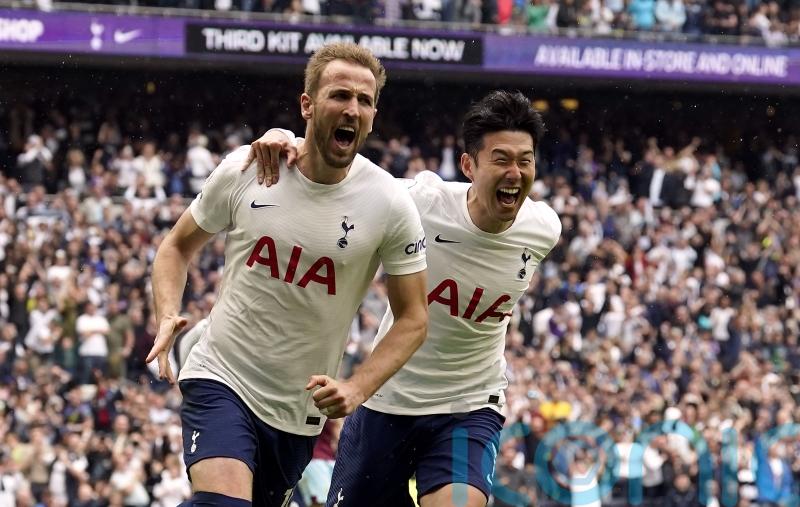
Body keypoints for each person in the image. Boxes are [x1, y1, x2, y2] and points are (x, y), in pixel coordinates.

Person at [146, 42, 429, 507]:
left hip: (298, 413)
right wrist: (167, 312)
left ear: (374, 115)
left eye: (364, 100)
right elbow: (176, 246)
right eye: (339, 95)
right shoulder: (249, 168)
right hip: (221, 374)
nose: (351, 109)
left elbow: (414, 318)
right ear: (307, 104)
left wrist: (357, 387)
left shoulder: (390, 203)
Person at [247, 90, 561, 507]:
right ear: (468, 165)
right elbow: (344, 175)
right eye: (501, 159)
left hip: (469, 404)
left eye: (525, 161)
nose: (515, 172)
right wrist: (289, 138)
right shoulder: (421, 204)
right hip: (386, 401)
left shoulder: (543, 228)